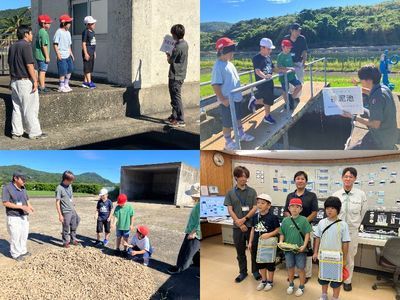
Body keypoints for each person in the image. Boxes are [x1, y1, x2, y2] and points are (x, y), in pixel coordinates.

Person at [211, 37, 254, 150]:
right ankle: (228, 141)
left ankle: (241, 134)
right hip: (227, 101)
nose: (232, 53)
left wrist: (241, 86)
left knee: (238, 117)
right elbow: (215, 85)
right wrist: (223, 99)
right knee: (227, 123)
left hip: (236, 98)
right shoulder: (218, 66)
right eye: (230, 50)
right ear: (222, 51)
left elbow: (232, 79)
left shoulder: (229, 63)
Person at [343, 65, 397, 150]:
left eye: (361, 80)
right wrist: (357, 88)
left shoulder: (377, 98)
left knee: (349, 153)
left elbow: (375, 124)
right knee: (363, 111)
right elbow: (371, 92)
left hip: (381, 140)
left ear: (368, 80)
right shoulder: (383, 88)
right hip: (389, 133)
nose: (361, 82)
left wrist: (353, 117)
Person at [8, 25, 47, 140]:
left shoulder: (12, 46)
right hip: (25, 81)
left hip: (15, 81)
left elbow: (10, 64)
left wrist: (11, 80)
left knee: (17, 108)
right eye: (30, 33)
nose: (32, 35)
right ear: (26, 34)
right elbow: (29, 65)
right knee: (30, 108)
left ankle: (16, 132)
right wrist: (35, 80)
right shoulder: (26, 46)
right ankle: (34, 132)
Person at [332, 167, 367, 291]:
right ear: (342, 178)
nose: (348, 178)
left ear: (355, 179)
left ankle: (347, 280)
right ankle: (337, 277)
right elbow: (331, 213)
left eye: (351, 176)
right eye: (346, 176)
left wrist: (355, 224)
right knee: (336, 255)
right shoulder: (336, 195)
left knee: (350, 258)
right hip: (337, 230)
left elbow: (362, 213)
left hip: (352, 231)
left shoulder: (361, 194)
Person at [223, 166, 258, 282]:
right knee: (240, 252)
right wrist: (238, 222)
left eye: (246, 176)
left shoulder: (252, 191)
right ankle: (243, 272)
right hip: (237, 227)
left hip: (251, 226)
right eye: (242, 176)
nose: (244, 179)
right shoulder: (230, 193)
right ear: (236, 177)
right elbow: (230, 209)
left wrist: (244, 219)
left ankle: (255, 271)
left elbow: (255, 207)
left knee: (253, 250)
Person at [313, 196, 351, 300]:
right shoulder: (321, 223)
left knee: (336, 281)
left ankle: (335, 297)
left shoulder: (343, 225)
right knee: (323, 279)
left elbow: (345, 243)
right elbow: (317, 238)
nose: (329, 210)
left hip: (337, 259)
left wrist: (344, 259)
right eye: (327, 208)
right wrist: (315, 252)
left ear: (338, 210)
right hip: (323, 257)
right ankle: (324, 295)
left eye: (333, 208)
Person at [284, 171, 318, 281]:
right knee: (292, 249)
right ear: (295, 181)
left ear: (306, 181)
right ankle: (293, 274)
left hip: (306, 227)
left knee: (306, 251)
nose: (300, 181)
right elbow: (286, 211)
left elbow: (314, 212)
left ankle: (306, 274)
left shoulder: (312, 196)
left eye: (302, 179)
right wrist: (292, 221)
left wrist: (302, 222)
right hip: (291, 228)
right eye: (298, 178)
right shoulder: (290, 196)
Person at [279, 198, 312, 297]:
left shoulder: (304, 220)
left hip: (300, 250)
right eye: (292, 206)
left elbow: (307, 234)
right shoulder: (285, 220)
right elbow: (282, 233)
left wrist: (304, 245)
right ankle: (291, 284)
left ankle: (301, 286)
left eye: (297, 207)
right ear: (289, 208)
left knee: (301, 268)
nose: (294, 209)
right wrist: (281, 242)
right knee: (290, 267)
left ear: (301, 209)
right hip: (288, 249)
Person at [248, 194, 280, 292]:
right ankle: (263, 280)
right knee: (260, 263)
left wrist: (269, 234)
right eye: (258, 203)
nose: (260, 205)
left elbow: (278, 230)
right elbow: (253, 230)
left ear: (269, 205)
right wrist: (250, 242)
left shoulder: (273, 217)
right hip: (257, 244)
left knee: (270, 263)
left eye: (263, 203)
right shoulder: (255, 217)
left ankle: (270, 281)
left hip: (269, 245)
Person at [168, 183, 201, 275]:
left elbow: (200, 220)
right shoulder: (200, 203)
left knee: (187, 251)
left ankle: (180, 268)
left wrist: (193, 232)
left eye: (192, 195)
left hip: (195, 233)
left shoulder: (200, 205)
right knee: (196, 252)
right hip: (196, 232)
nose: (191, 197)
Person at [248, 38, 281, 125]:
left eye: (270, 49)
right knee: (268, 100)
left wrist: (282, 71)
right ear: (262, 48)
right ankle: (267, 116)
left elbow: (273, 68)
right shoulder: (257, 58)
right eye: (269, 49)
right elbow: (257, 71)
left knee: (269, 100)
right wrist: (265, 76)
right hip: (262, 83)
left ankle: (254, 102)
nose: (270, 51)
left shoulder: (268, 57)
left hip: (269, 82)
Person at [2, 171, 34, 261]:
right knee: (15, 235)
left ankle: (23, 251)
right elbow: (5, 203)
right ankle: (15, 254)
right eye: (23, 179)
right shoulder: (7, 188)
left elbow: (27, 199)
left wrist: (30, 206)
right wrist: (20, 207)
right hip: (13, 216)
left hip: (24, 215)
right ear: (15, 178)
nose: (25, 181)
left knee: (24, 234)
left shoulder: (23, 187)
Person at [165, 24, 188, 127]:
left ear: (175, 35)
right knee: (175, 97)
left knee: (175, 97)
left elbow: (171, 61)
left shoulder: (177, 47)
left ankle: (180, 119)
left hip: (175, 75)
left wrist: (168, 55)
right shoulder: (185, 44)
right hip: (181, 74)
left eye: (172, 34)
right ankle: (174, 116)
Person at [55, 170, 80, 248]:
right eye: (70, 180)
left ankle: (73, 239)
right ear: (65, 179)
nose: (71, 182)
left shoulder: (70, 186)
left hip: (72, 209)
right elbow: (57, 202)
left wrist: (72, 202)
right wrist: (60, 215)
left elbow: (71, 196)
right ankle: (65, 242)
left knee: (76, 221)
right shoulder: (59, 188)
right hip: (66, 211)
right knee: (66, 227)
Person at [277, 39, 303, 110]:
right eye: (288, 48)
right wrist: (288, 68)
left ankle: (291, 98)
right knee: (285, 90)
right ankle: (287, 104)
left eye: (290, 48)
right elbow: (279, 66)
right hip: (284, 76)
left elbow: (291, 63)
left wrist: (297, 65)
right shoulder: (280, 56)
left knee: (299, 86)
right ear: (283, 47)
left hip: (291, 75)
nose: (289, 49)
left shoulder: (289, 54)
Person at [53, 14, 74, 93]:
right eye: (68, 22)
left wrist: (71, 53)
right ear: (63, 23)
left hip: (68, 55)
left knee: (70, 69)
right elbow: (55, 44)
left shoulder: (68, 33)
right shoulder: (58, 32)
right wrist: (58, 54)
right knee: (63, 71)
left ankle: (66, 84)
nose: (70, 24)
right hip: (61, 55)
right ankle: (61, 86)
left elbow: (69, 45)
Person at [34, 14, 52, 93]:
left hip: (39, 55)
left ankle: (41, 85)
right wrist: (47, 57)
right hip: (42, 56)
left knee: (41, 70)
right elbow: (44, 46)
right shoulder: (44, 33)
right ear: (43, 23)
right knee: (43, 71)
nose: (50, 24)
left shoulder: (40, 32)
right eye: (48, 23)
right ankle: (42, 87)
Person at [82, 16, 97, 89]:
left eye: (94, 23)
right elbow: (84, 43)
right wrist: (85, 53)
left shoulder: (93, 32)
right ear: (88, 25)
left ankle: (85, 82)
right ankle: (89, 82)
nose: (94, 25)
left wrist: (94, 52)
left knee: (90, 67)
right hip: (87, 51)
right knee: (87, 67)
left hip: (91, 52)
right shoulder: (86, 32)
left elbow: (93, 43)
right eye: (92, 23)